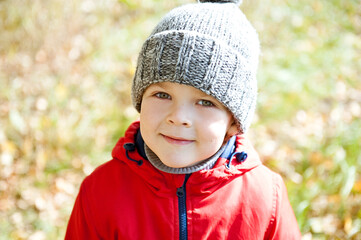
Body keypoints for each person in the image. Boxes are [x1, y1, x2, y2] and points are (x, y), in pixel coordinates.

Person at [65, 0, 302, 239]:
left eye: (205, 102)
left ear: (233, 122)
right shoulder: (100, 193)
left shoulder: (265, 198)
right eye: (162, 95)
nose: (178, 118)